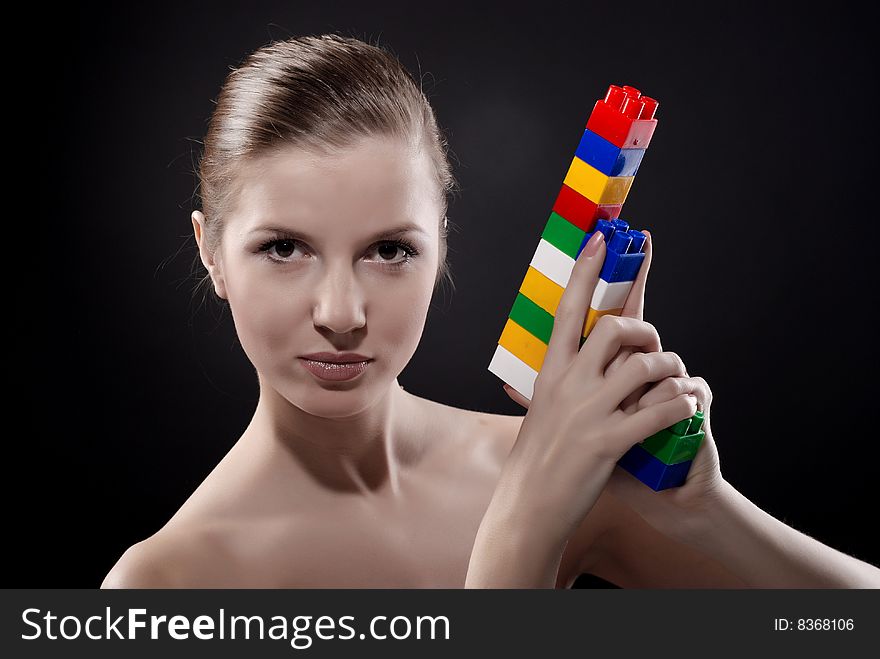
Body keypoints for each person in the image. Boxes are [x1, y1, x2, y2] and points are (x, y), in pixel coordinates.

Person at [101, 34, 880, 589]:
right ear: (210, 251)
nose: (342, 313)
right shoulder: (164, 585)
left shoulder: (555, 463)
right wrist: (521, 532)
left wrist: (703, 512)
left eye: (389, 250)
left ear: (441, 244)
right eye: (283, 248)